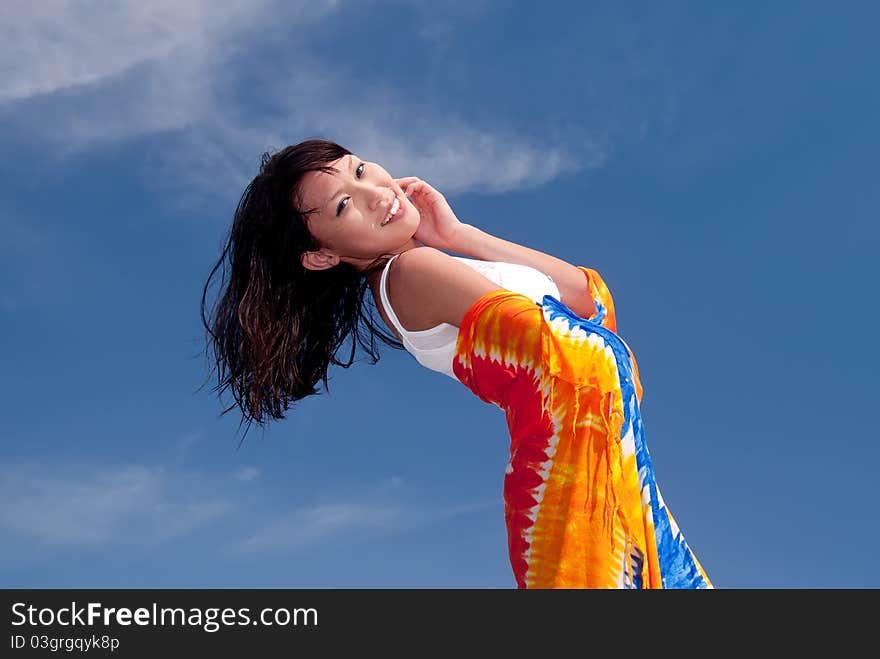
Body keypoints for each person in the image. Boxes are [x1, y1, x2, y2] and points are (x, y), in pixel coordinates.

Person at [200, 138, 714, 589]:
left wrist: (456, 233)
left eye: (359, 170)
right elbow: (573, 353)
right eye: (342, 207)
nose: (377, 193)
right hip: (577, 506)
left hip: (617, 493)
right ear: (320, 256)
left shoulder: (432, 261)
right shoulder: (410, 271)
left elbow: (590, 303)